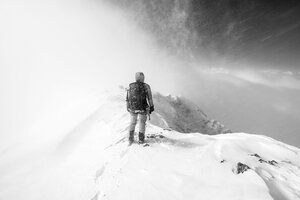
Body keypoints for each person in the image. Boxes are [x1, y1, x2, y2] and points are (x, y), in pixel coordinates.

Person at [126, 72, 154, 144]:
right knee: (142, 123)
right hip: (143, 108)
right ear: (142, 78)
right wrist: (151, 106)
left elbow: (128, 98)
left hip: (133, 108)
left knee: (132, 122)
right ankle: (141, 139)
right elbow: (149, 98)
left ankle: (130, 138)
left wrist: (128, 106)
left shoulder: (130, 86)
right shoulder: (146, 86)